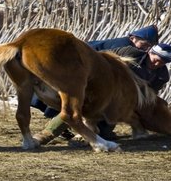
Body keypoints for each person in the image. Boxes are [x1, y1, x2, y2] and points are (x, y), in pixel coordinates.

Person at [31, 25, 162, 144]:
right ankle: (50, 134)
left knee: (104, 125)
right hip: (80, 72)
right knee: (76, 106)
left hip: (96, 80)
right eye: (144, 44)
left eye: (148, 46)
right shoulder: (125, 47)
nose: (145, 48)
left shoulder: (144, 58)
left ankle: (90, 131)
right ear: (133, 38)